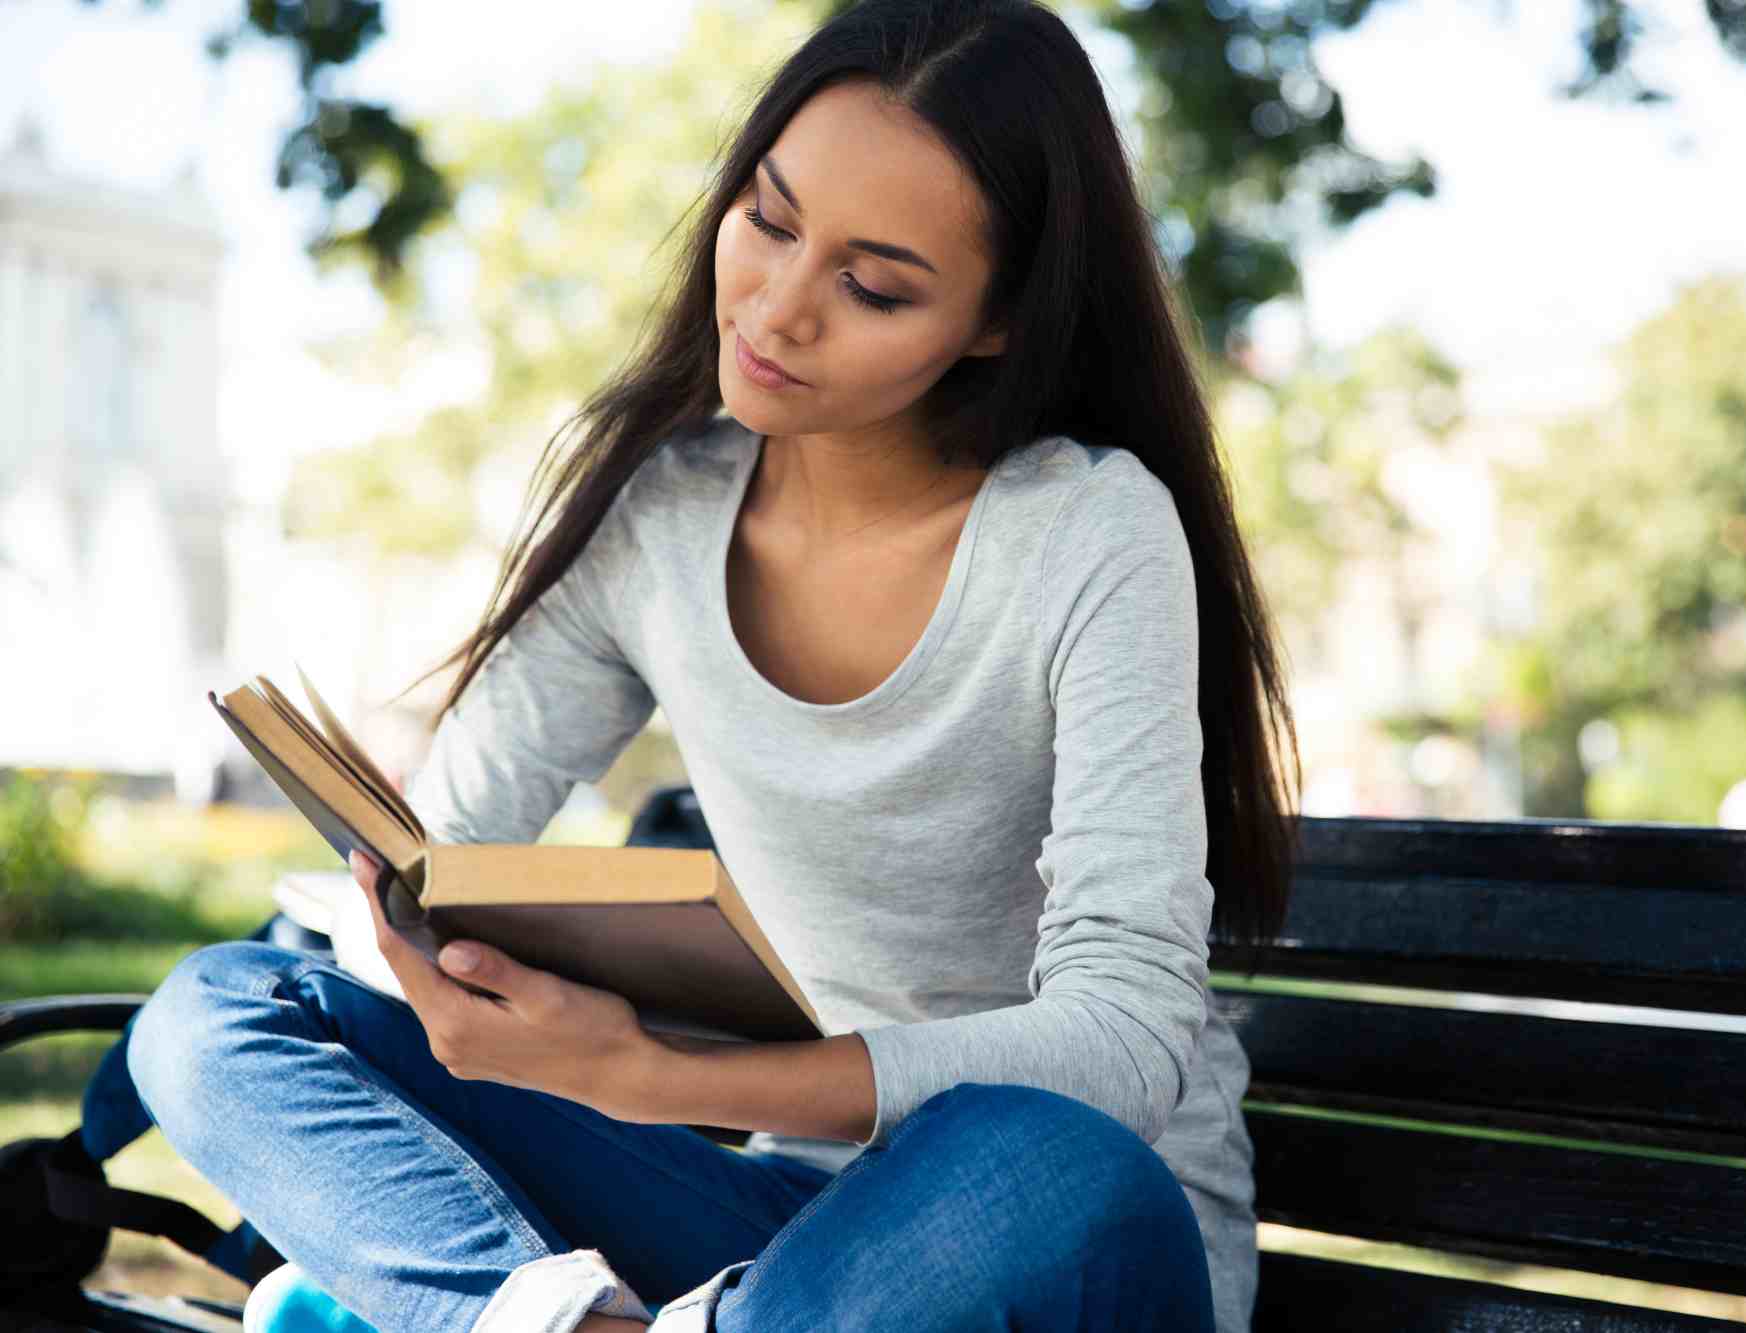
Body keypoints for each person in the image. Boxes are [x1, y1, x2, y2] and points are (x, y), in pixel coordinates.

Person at [123, 0, 1302, 1329]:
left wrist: (657, 1078)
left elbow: (1124, 1043)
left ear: (996, 323)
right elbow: (452, 835)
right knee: (222, 1009)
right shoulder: (662, 509)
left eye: (872, 285)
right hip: (791, 1237)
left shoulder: (1089, 530)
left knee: (1032, 1148)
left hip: (1060, 1238)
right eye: (771, 219)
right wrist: (434, 954)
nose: (778, 308)